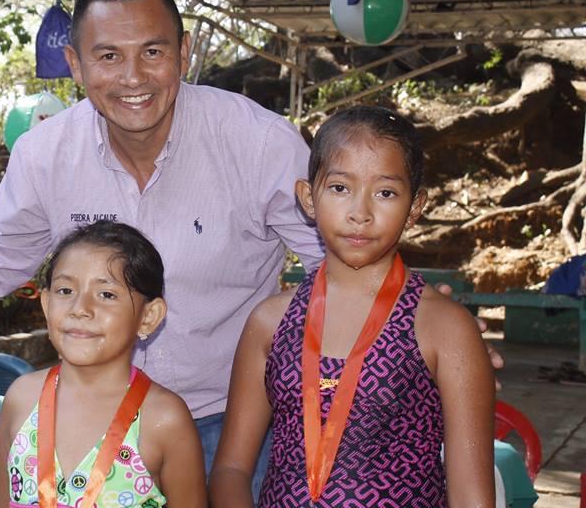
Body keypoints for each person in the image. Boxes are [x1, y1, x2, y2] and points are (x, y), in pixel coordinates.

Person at [0, 0, 324, 488]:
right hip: (91, 427)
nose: (133, 78)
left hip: (236, 428)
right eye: (109, 56)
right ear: (76, 64)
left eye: (153, 52)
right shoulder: (45, 155)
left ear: (184, 52)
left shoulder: (260, 144)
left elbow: (339, 264)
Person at [209, 106, 495, 507]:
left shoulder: (443, 328)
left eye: (385, 193)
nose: (360, 213)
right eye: (340, 188)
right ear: (309, 198)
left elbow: (472, 496)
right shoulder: (270, 322)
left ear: (415, 207)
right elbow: (231, 470)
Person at [0, 220, 206, 508]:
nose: (80, 308)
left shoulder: (164, 420)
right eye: (65, 291)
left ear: (148, 316)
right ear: (46, 305)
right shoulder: (21, 398)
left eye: (106, 294)